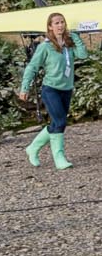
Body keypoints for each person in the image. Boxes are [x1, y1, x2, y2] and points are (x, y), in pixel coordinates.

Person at [19, 12, 89, 169]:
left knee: (58, 123)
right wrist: (25, 88)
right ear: (50, 27)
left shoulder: (68, 46)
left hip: (67, 89)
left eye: (62, 22)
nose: (60, 25)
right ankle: (59, 158)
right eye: (56, 23)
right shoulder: (45, 47)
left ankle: (33, 148)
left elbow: (83, 55)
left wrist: (75, 37)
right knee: (60, 122)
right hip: (51, 89)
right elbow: (32, 67)